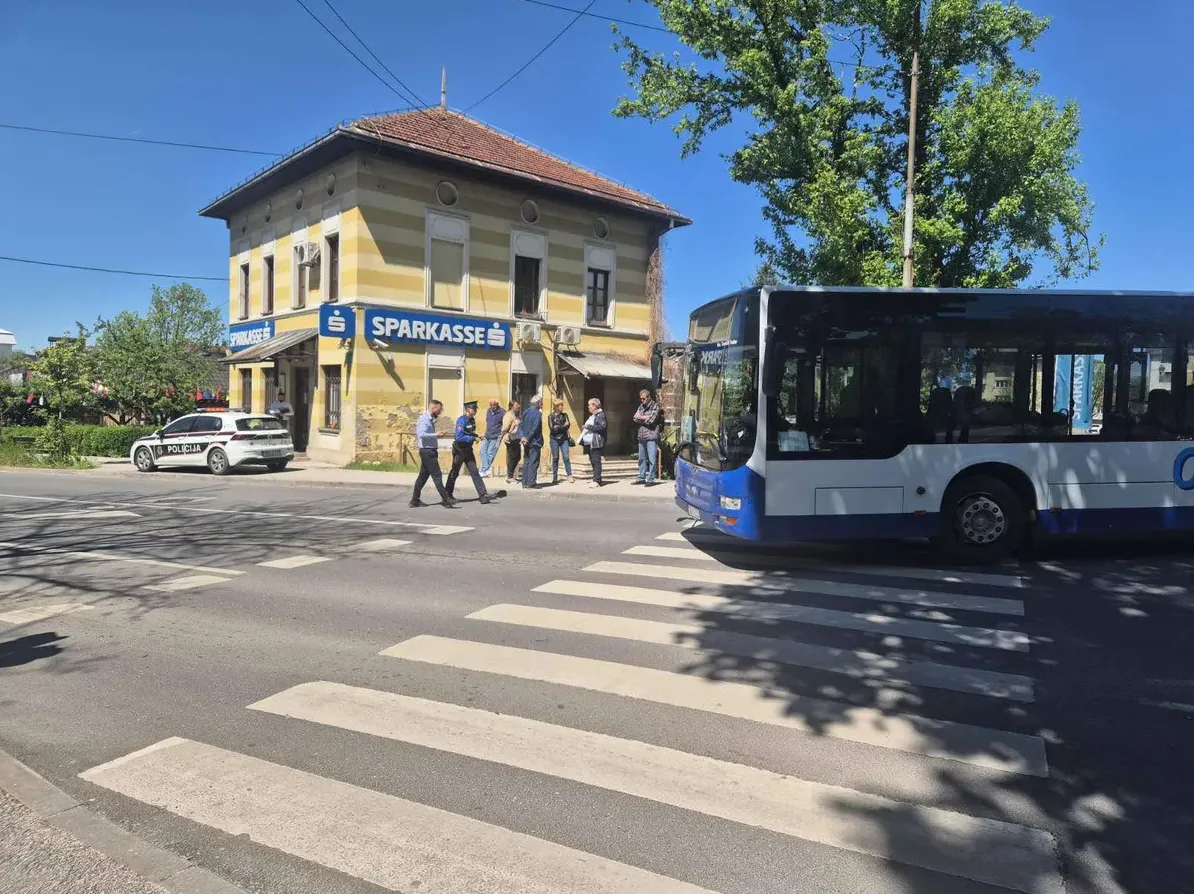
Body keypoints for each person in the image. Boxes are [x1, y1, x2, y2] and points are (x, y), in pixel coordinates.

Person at [409, 400, 457, 509]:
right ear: (433, 408)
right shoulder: (425, 419)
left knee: (422, 477)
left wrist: (437, 435)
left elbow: (426, 434)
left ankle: (414, 500)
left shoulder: (429, 419)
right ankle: (446, 500)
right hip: (427, 452)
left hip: (429, 451)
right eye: (439, 410)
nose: (439, 412)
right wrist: (436, 434)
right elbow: (421, 434)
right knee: (437, 475)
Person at [445, 401, 495, 504]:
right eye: (474, 408)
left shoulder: (472, 420)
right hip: (459, 450)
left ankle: (483, 495)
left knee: (474, 472)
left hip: (468, 450)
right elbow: (459, 437)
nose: (475, 410)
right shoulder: (461, 420)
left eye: (476, 409)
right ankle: (447, 495)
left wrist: (477, 435)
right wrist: (472, 438)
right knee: (455, 472)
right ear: (468, 409)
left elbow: (469, 432)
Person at [632, 388, 661, 485]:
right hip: (641, 435)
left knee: (652, 459)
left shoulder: (655, 406)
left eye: (644, 399)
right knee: (641, 459)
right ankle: (641, 477)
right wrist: (645, 417)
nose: (642, 400)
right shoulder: (641, 406)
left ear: (649, 397)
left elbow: (651, 421)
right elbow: (634, 418)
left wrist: (640, 417)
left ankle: (651, 479)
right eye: (641, 399)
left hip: (651, 435)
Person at [580, 397, 607, 488]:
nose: (588, 407)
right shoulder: (593, 415)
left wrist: (588, 426)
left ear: (595, 406)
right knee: (593, 461)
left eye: (590, 405)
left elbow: (602, 427)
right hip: (590, 443)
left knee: (596, 461)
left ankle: (597, 481)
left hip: (596, 442)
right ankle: (595, 479)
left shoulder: (600, 415)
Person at [519, 393, 544, 489]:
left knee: (526, 461)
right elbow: (535, 427)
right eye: (541, 402)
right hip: (534, 441)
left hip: (526, 441)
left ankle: (524, 482)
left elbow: (520, 425)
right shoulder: (538, 413)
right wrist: (527, 438)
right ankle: (531, 482)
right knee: (533, 462)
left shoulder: (526, 412)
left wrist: (523, 437)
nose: (542, 404)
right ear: (537, 403)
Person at [548, 399, 575, 485]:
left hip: (564, 439)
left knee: (566, 457)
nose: (562, 407)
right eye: (560, 405)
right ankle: (555, 476)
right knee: (555, 458)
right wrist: (563, 426)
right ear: (556, 407)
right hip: (554, 439)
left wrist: (559, 427)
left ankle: (569, 475)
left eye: (562, 405)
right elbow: (553, 429)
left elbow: (568, 426)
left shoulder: (565, 415)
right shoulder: (550, 416)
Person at [479, 398, 504, 477]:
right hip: (487, 435)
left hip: (496, 436)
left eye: (494, 405)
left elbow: (505, 424)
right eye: (491, 405)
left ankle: (483, 470)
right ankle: (485, 470)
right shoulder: (488, 411)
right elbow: (488, 424)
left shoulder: (503, 412)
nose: (492, 406)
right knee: (482, 451)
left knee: (490, 453)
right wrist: (484, 433)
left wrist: (502, 434)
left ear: (497, 404)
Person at [501, 400, 522, 483]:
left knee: (517, 457)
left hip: (516, 438)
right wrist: (508, 433)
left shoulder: (515, 415)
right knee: (512, 457)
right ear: (511, 406)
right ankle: (510, 476)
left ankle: (511, 474)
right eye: (516, 405)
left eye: (518, 405)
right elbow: (504, 428)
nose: (518, 406)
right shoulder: (508, 415)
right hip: (510, 438)